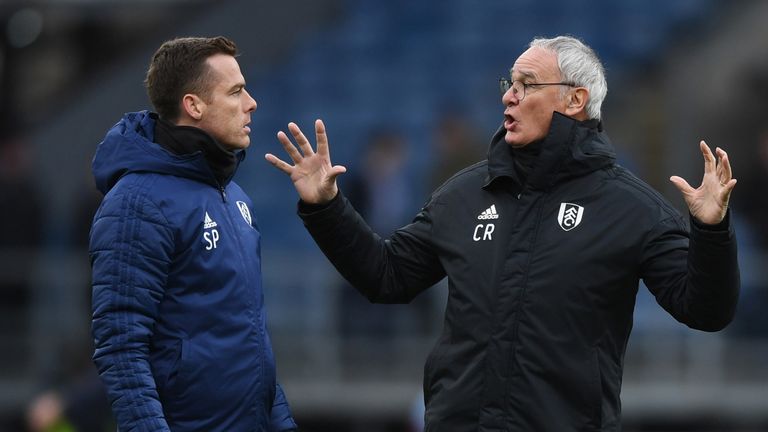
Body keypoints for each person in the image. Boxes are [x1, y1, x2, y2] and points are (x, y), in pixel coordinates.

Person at [265, 35, 739, 431]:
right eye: (509, 84)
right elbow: (385, 276)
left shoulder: (632, 208)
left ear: (575, 99)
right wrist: (327, 207)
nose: (508, 96)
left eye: (526, 85)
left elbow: (705, 311)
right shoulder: (465, 194)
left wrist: (712, 231)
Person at [89, 36, 297, 431]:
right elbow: (120, 344)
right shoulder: (137, 202)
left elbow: (251, 340)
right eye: (235, 91)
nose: (251, 103)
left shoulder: (234, 198)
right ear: (194, 105)